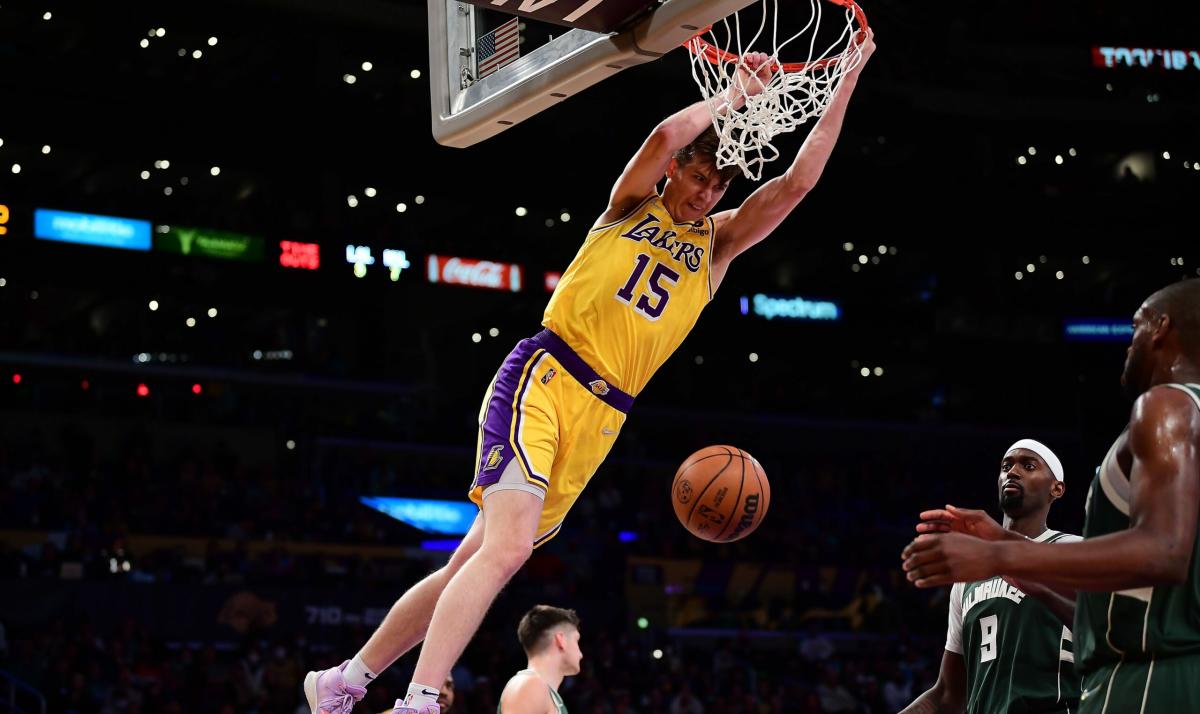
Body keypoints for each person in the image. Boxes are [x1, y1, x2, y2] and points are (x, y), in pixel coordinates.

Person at [305, 29, 877, 714]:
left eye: (717, 183)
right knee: (508, 550)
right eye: (697, 176)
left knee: (471, 566)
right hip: (546, 377)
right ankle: (420, 700)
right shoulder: (628, 207)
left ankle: (343, 681)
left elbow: (798, 183)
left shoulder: (717, 248)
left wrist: (849, 73)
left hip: (602, 421)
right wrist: (733, 95)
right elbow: (666, 134)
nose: (703, 193)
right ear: (677, 172)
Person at [902, 279, 1200, 712]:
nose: (1127, 343)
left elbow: (1164, 549)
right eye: (1007, 465)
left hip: (1149, 673)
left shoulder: (1165, 404)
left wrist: (999, 557)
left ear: (1161, 328)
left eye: (1135, 327)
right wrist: (1000, 543)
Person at [901, 439, 1081, 713]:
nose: (1013, 472)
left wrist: (1004, 547)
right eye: (1006, 466)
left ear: (1056, 489)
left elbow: (1105, 623)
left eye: (1028, 466)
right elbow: (949, 693)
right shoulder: (968, 576)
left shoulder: (1074, 549)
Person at [498, 606, 582, 713]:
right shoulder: (531, 686)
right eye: (576, 640)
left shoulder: (545, 692)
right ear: (561, 640)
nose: (581, 654)